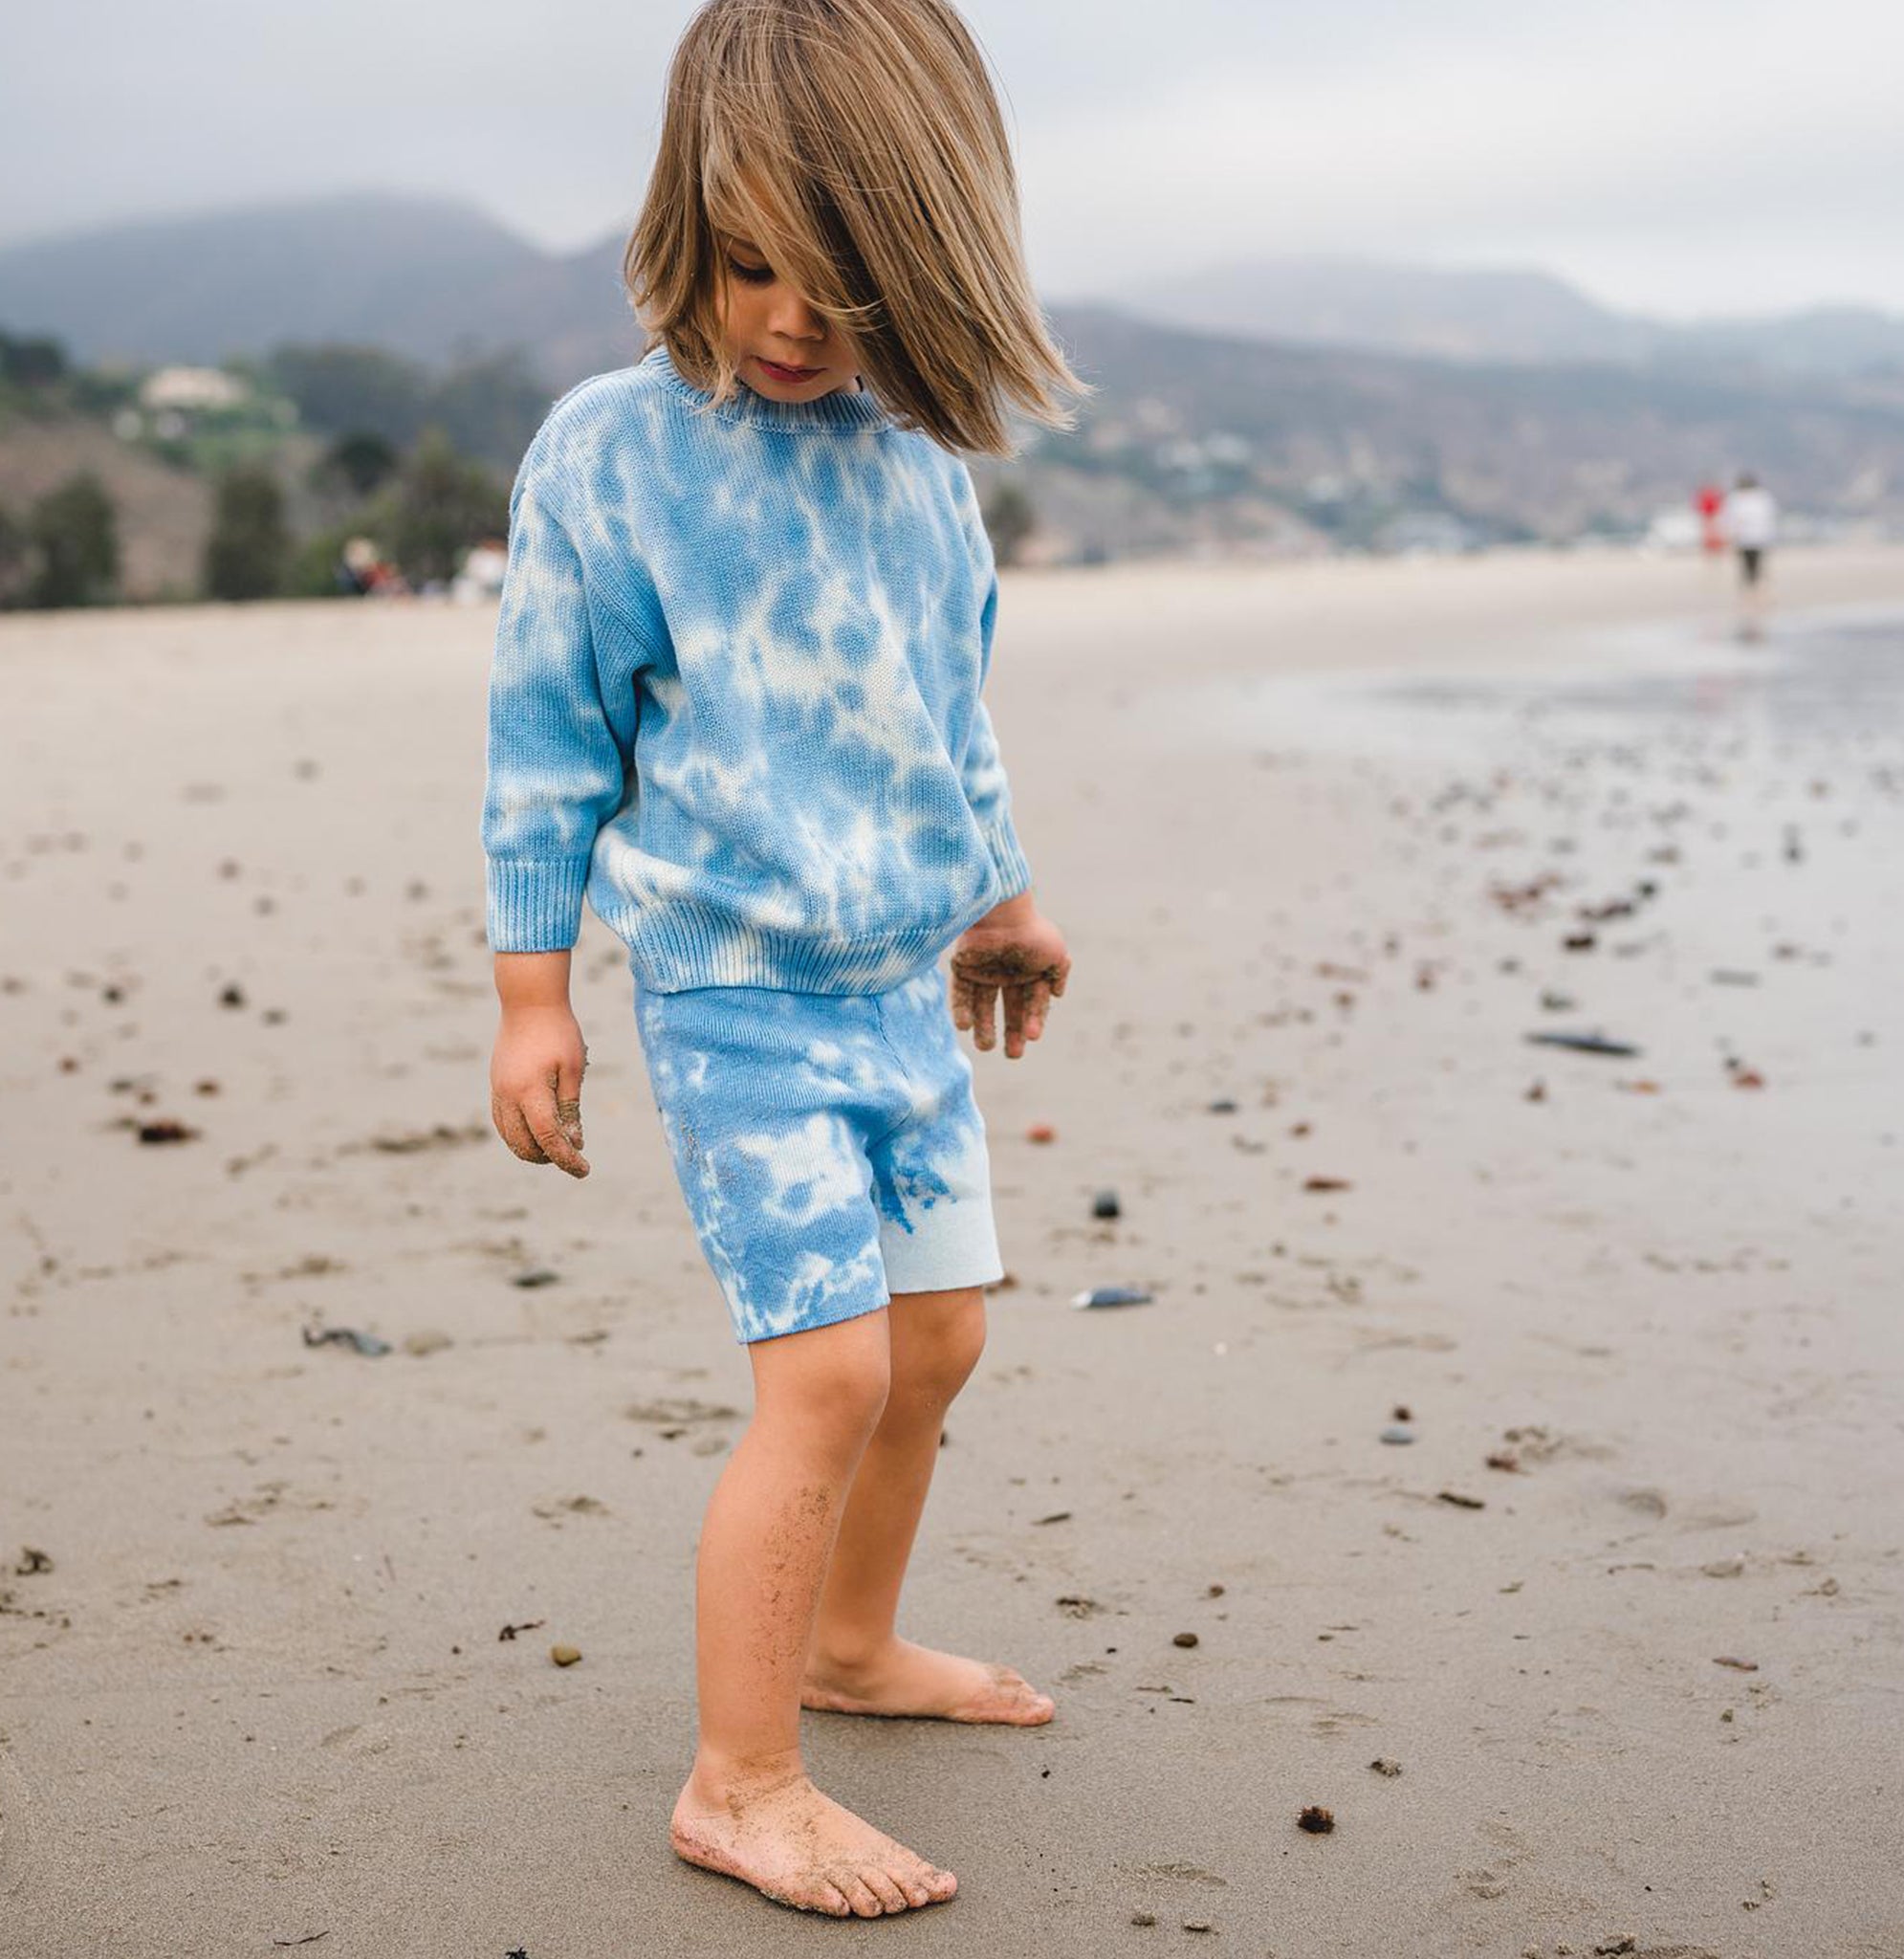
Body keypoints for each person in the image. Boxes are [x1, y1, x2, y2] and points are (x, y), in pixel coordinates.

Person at [479, 0, 1090, 1922]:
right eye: (751, 266)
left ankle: (848, 1643)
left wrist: (1000, 900)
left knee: (938, 1345)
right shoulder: (614, 457)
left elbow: (947, 712)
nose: (791, 323)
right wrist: (530, 993)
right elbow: (546, 735)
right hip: (734, 995)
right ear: (688, 219)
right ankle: (740, 1781)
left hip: (899, 985)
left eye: (842, 284)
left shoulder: (917, 470)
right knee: (820, 1377)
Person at [1724, 471, 1778, 639]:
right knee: (1756, 568)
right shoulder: (1762, 498)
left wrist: (1732, 534)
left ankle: (1751, 597)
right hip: (1757, 538)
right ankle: (1758, 596)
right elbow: (1769, 517)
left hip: (1750, 538)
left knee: (1748, 569)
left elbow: (1731, 519)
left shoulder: (1738, 498)